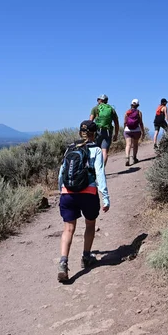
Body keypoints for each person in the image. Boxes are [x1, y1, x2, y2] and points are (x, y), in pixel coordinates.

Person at [57, 120, 110, 282]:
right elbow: (99, 174)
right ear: (95, 134)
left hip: (68, 193)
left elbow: (61, 173)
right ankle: (86, 257)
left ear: (81, 132)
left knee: (68, 229)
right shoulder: (96, 150)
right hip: (88, 193)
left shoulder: (70, 148)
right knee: (90, 224)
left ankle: (63, 263)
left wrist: (62, 190)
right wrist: (105, 197)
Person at [89, 94, 119, 166]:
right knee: (104, 151)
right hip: (108, 132)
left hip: (97, 132)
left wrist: (90, 134)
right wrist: (116, 134)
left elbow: (90, 121)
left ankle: (94, 169)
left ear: (100, 100)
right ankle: (101, 169)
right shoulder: (111, 109)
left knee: (95, 150)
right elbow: (116, 123)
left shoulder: (95, 109)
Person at [123, 98, 146, 166]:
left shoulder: (127, 112)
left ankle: (127, 157)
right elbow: (141, 123)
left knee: (128, 145)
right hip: (136, 130)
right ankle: (134, 158)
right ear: (138, 105)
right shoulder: (139, 112)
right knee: (135, 144)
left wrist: (125, 129)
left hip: (128, 130)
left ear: (131, 104)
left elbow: (124, 122)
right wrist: (143, 131)